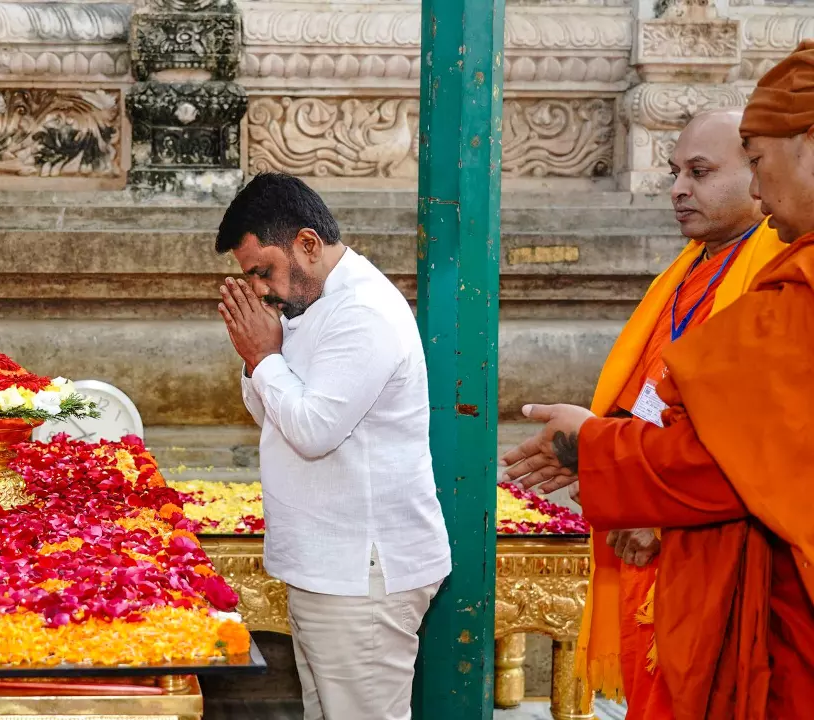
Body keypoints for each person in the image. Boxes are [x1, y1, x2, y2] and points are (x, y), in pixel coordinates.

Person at [502, 40, 814, 720]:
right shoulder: (711, 271)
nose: (761, 191)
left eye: (756, 163)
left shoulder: (788, 283)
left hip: (742, 559)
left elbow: (730, 457)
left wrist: (595, 448)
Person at [214, 172, 451, 720]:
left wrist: (264, 358)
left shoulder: (361, 312)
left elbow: (314, 429)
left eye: (263, 271)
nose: (260, 289)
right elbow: (271, 414)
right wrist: (260, 360)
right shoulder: (312, 303)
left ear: (308, 244)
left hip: (362, 574)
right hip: (330, 567)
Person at [575, 108, 786, 719]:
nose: (677, 189)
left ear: (758, 173)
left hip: (700, 533)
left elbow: (753, 429)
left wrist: (659, 509)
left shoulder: (772, 270)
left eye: (699, 171)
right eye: (674, 172)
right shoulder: (690, 266)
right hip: (643, 509)